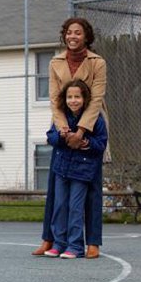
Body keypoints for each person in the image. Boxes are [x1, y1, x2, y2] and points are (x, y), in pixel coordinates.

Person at [32, 17, 108, 259]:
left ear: (86, 36)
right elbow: (55, 101)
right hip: (63, 125)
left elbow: (96, 99)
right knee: (57, 186)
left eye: (78, 32)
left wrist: (82, 132)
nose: (73, 36)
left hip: (91, 123)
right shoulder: (55, 62)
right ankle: (50, 239)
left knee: (90, 186)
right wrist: (64, 131)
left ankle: (92, 242)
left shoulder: (98, 63)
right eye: (69, 32)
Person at [43, 80, 107, 259]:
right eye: (69, 97)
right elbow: (51, 137)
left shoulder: (95, 120)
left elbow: (101, 144)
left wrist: (86, 142)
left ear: (85, 98)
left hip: (82, 171)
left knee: (75, 207)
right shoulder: (61, 118)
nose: (73, 100)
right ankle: (58, 243)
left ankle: (75, 246)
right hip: (62, 168)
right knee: (60, 205)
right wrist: (60, 136)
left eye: (77, 97)